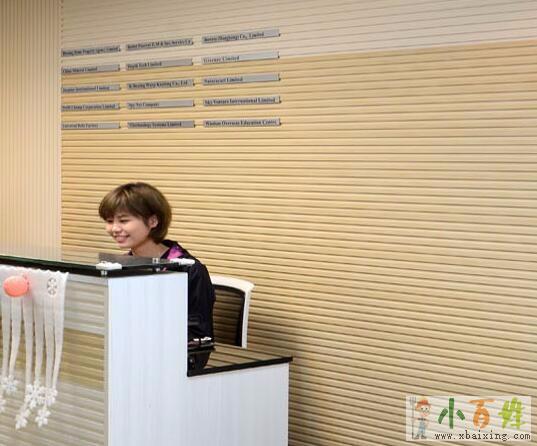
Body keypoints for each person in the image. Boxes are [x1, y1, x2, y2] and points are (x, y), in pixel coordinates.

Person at [98, 182, 215, 341]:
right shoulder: (121, 265)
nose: (114, 229)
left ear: (153, 221)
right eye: (110, 221)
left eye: (123, 220)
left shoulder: (189, 270)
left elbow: (198, 337)